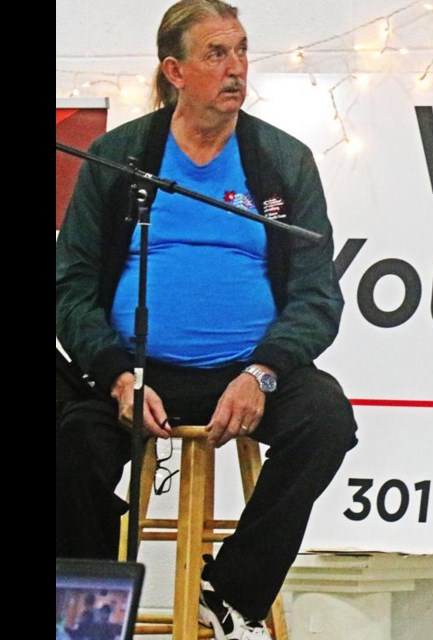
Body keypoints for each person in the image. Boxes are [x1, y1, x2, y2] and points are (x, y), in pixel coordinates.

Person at [56, 2, 358, 638]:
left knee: (326, 418)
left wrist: (265, 371)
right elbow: (72, 286)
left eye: (242, 51)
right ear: (175, 70)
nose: (236, 68)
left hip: (245, 373)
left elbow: (317, 296)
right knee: (74, 444)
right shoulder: (119, 157)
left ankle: (228, 590)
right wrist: (115, 376)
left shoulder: (283, 161)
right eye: (216, 54)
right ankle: (86, 617)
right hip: (136, 374)